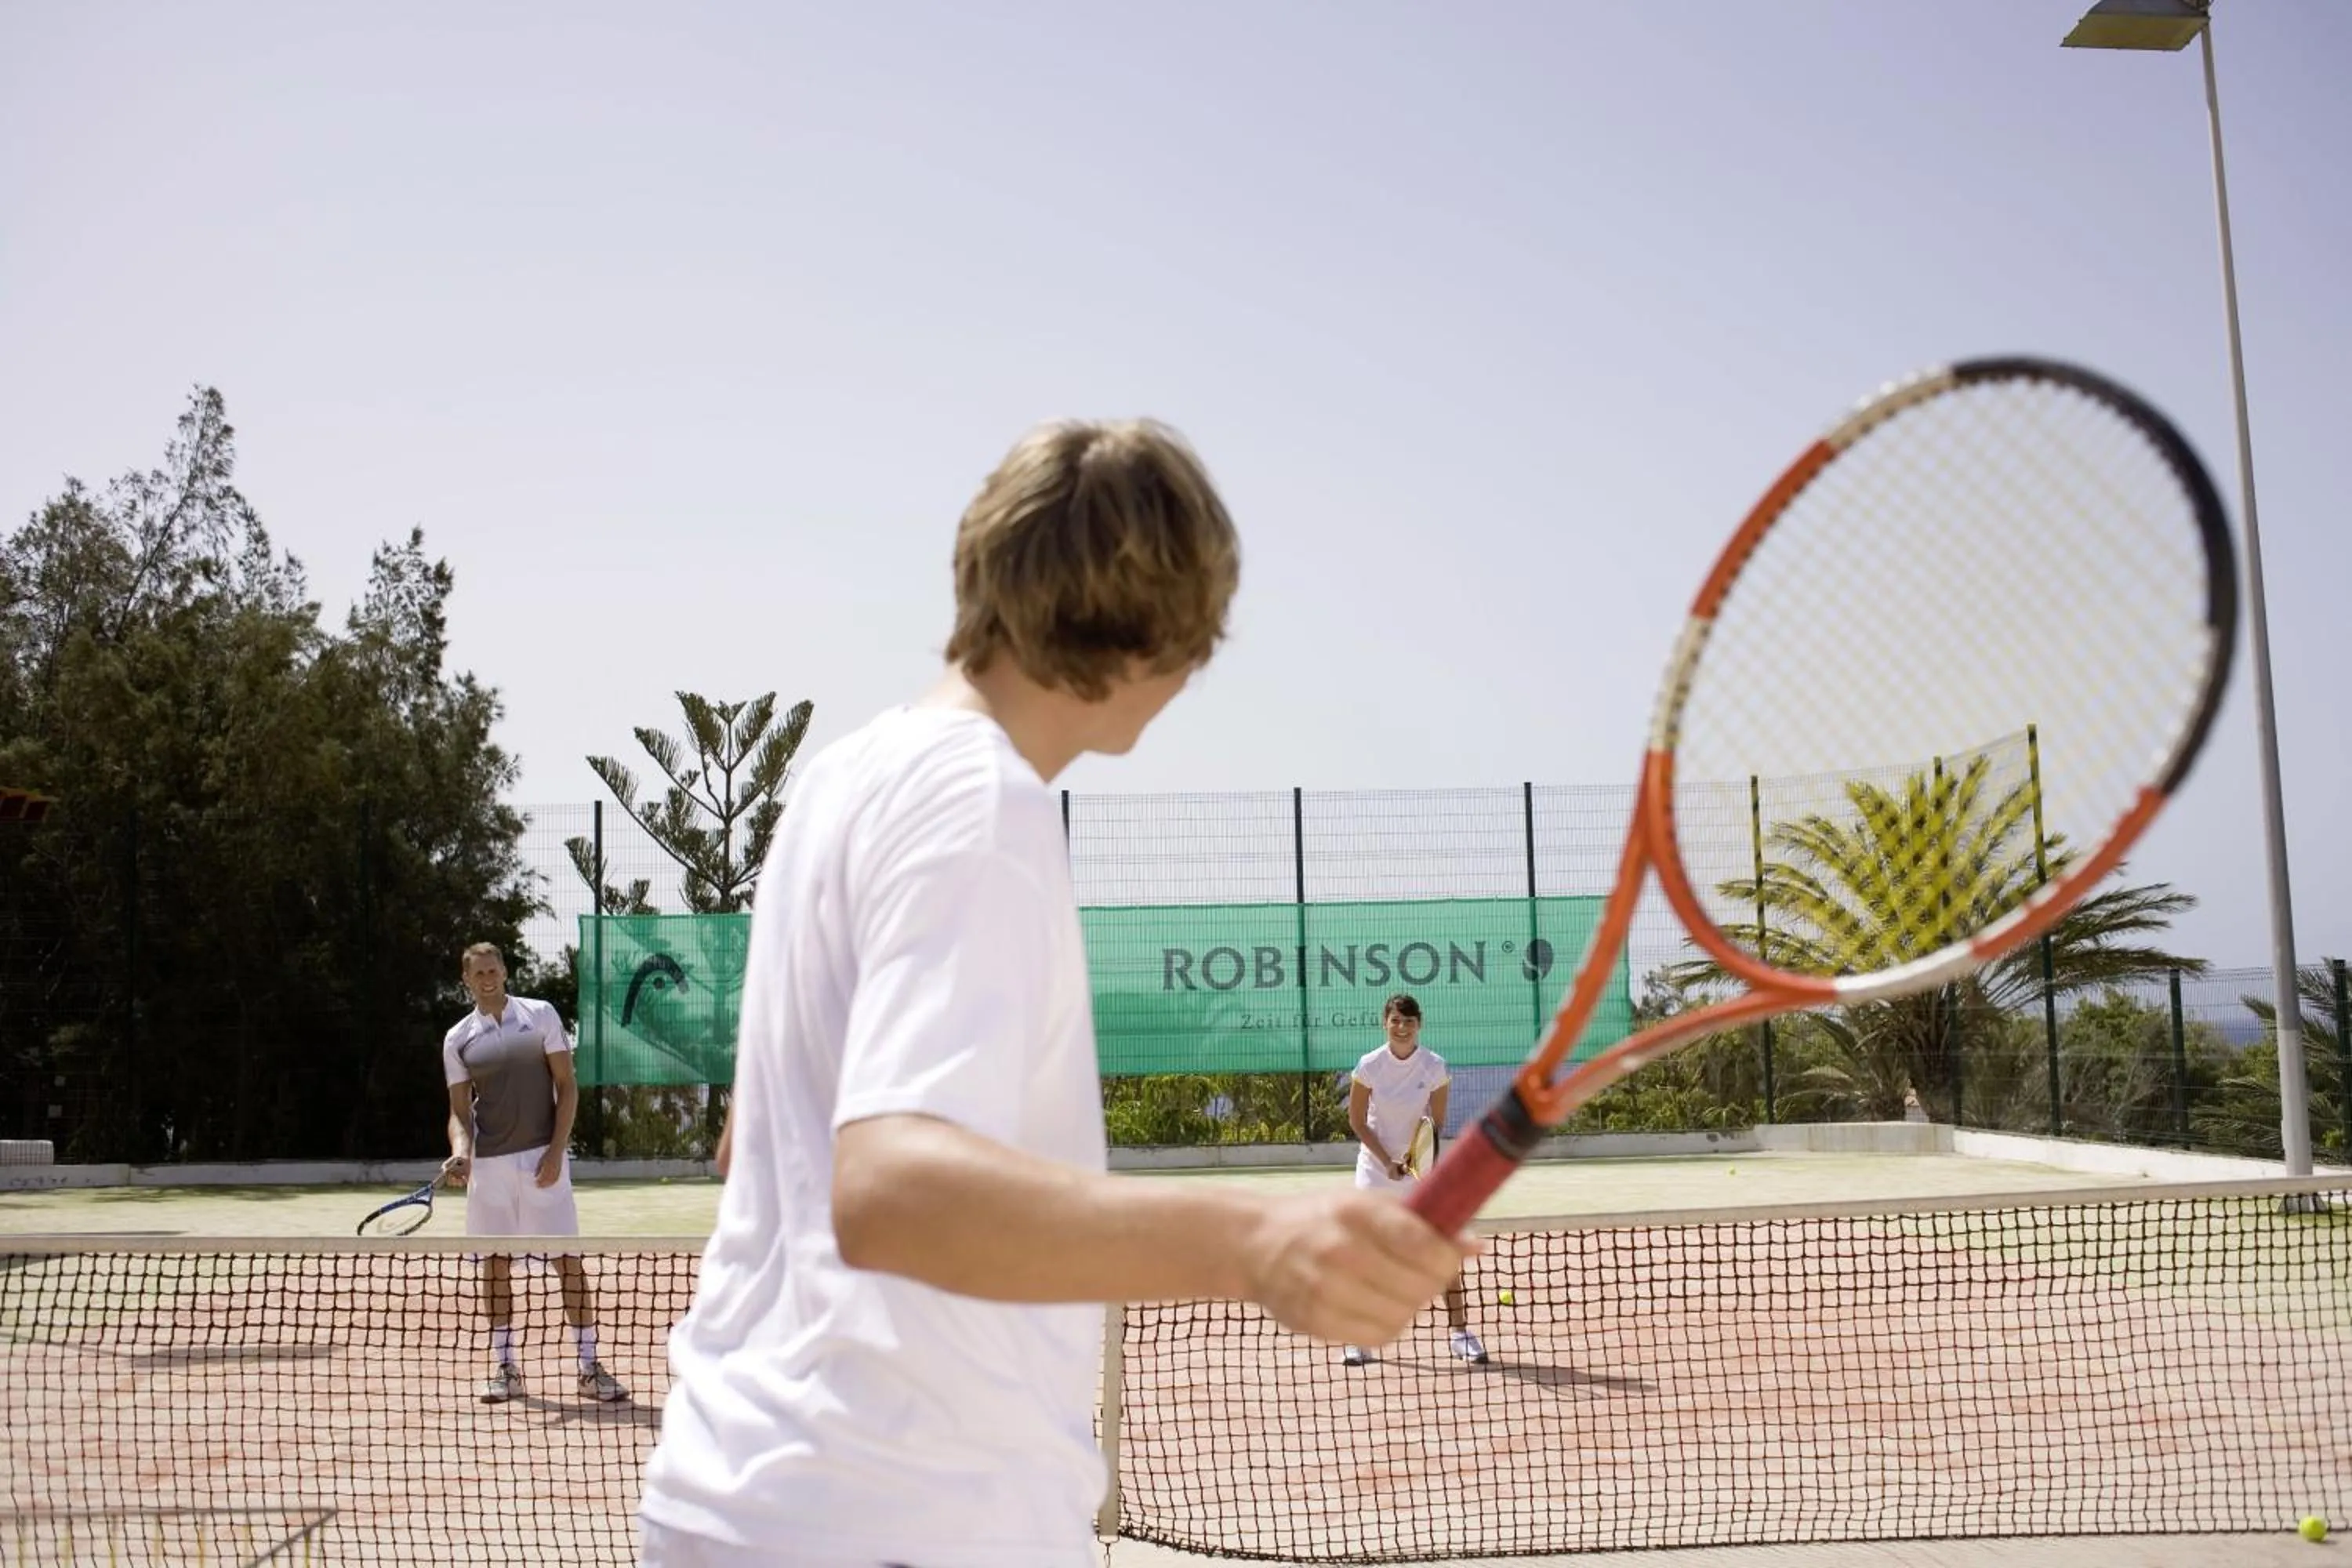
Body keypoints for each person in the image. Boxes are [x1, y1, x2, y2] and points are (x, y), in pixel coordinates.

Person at [637, 419, 1476, 1568]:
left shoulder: (841, 780)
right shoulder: (984, 805)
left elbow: (754, 1146)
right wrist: (1259, 1242)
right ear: (1150, 635)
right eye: (1202, 641)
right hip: (901, 1523)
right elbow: (887, 1194)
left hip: (735, 1499)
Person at [439, 942, 628, 1406]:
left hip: (544, 1159)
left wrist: (557, 1151)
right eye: (478, 972)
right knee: (495, 1264)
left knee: (568, 1261)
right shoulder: (457, 1039)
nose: (488, 978)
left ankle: (589, 1368)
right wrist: (461, 1153)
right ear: (467, 980)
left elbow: (567, 1086)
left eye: (494, 968)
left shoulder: (540, 1016)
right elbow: (459, 1112)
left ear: (505, 970)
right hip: (492, 1171)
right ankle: (506, 1368)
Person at [1341, 993, 1488, 1368]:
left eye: (1408, 1021)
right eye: (1395, 1021)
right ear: (1385, 1023)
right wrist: (1386, 1159)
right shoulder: (1370, 1065)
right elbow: (1357, 1120)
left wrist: (1412, 1159)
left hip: (1419, 1168)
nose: (1402, 1028)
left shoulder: (1434, 1067)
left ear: (1419, 1024)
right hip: (1375, 1168)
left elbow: (1434, 1126)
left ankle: (1460, 1334)